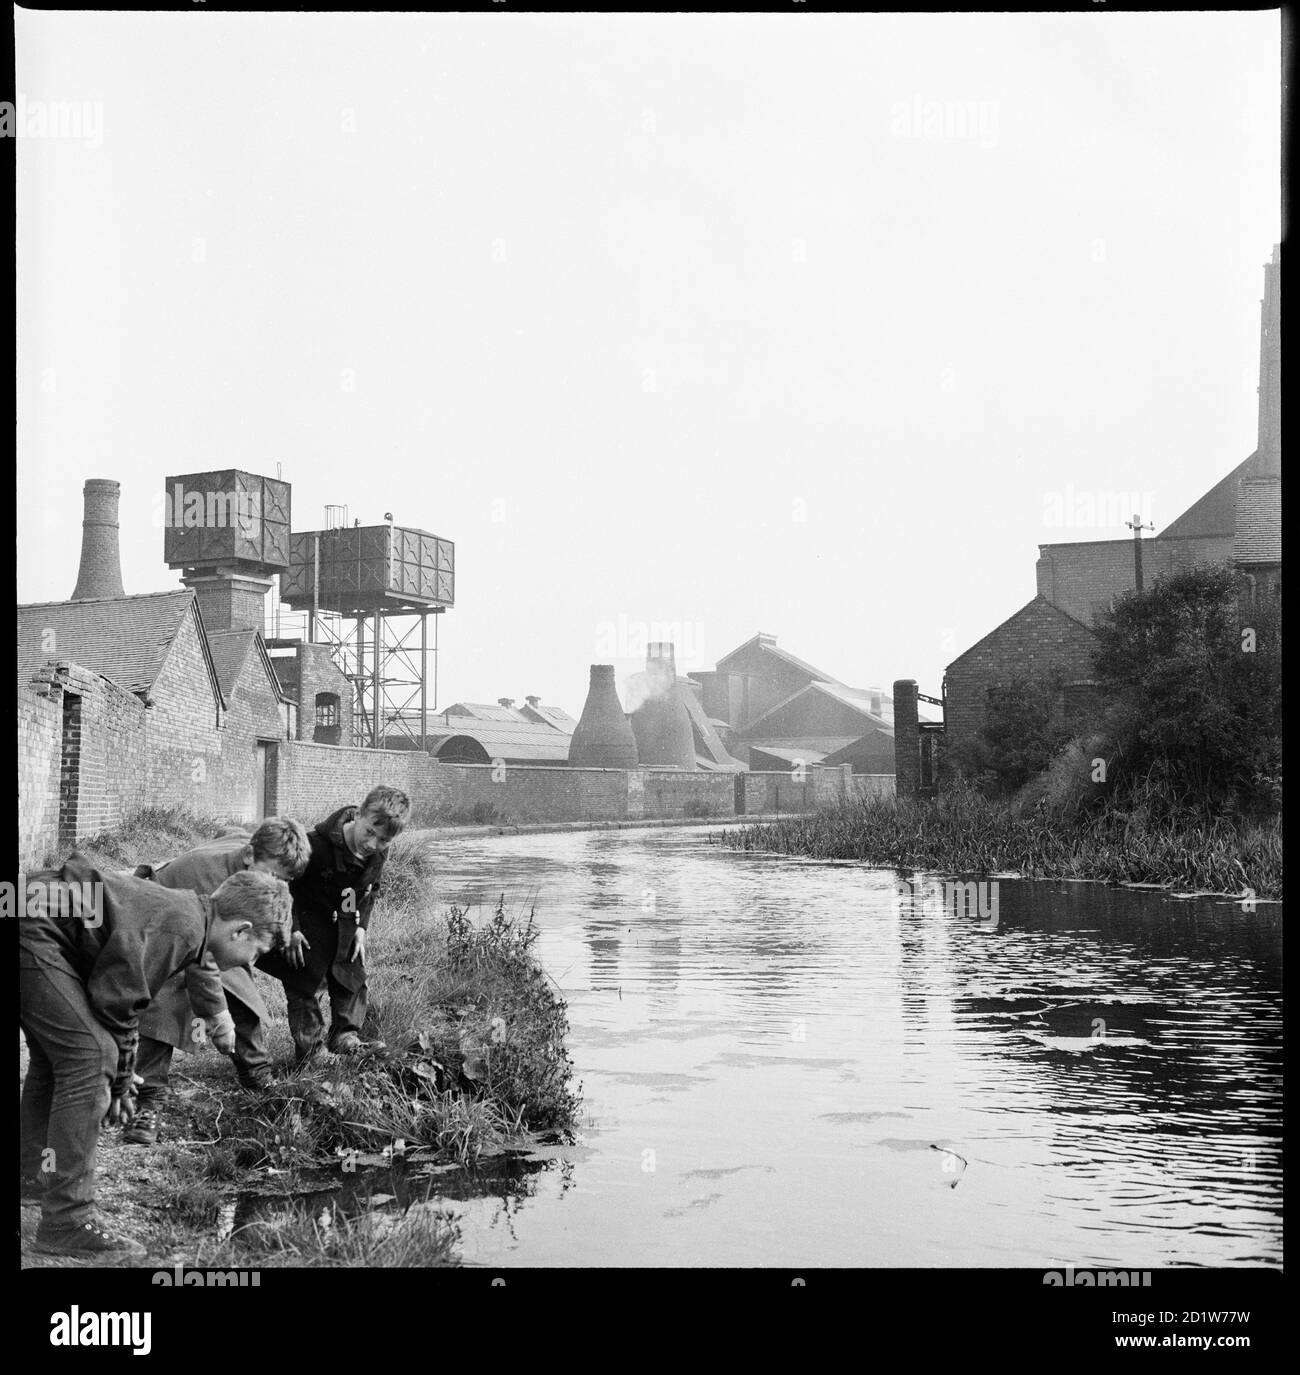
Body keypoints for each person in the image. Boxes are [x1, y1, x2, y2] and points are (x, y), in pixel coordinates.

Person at [19, 860, 292, 1257]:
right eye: (257, 951)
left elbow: (117, 998)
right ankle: (68, 1221)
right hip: (31, 923)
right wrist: (118, 1078)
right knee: (90, 1057)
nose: (251, 961)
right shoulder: (180, 926)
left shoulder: (190, 914)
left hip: (26, 908)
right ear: (241, 930)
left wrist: (121, 1075)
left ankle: (32, 1176)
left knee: (59, 1057)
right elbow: (120, 1000)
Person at [123, 817, 312, 1147]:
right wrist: (218, 1020)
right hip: (158, 933)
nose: (275, 882)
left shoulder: (250, 859)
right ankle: (148, 1101)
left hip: (206, 934)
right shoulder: (206, 877)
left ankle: (256, 1073)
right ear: (250, 855)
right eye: (271, 874)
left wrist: (290, 926)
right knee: (165, 1006)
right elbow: (202, 966)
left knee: (240, 988)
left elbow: (227, 833)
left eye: (284, 879)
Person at [255, 785, 410, 1060]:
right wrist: (291, 929)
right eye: (370, 832)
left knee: (352, 977)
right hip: (305, 925)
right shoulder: (316, 845)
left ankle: (346, 1037)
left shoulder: (378, 854)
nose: (372, 844)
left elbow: (371, 890)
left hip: (345, 924)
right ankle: (312, 1051)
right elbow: (284, 886)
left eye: (383, 840)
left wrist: (362, 928)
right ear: (358, 815)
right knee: (303, 984)